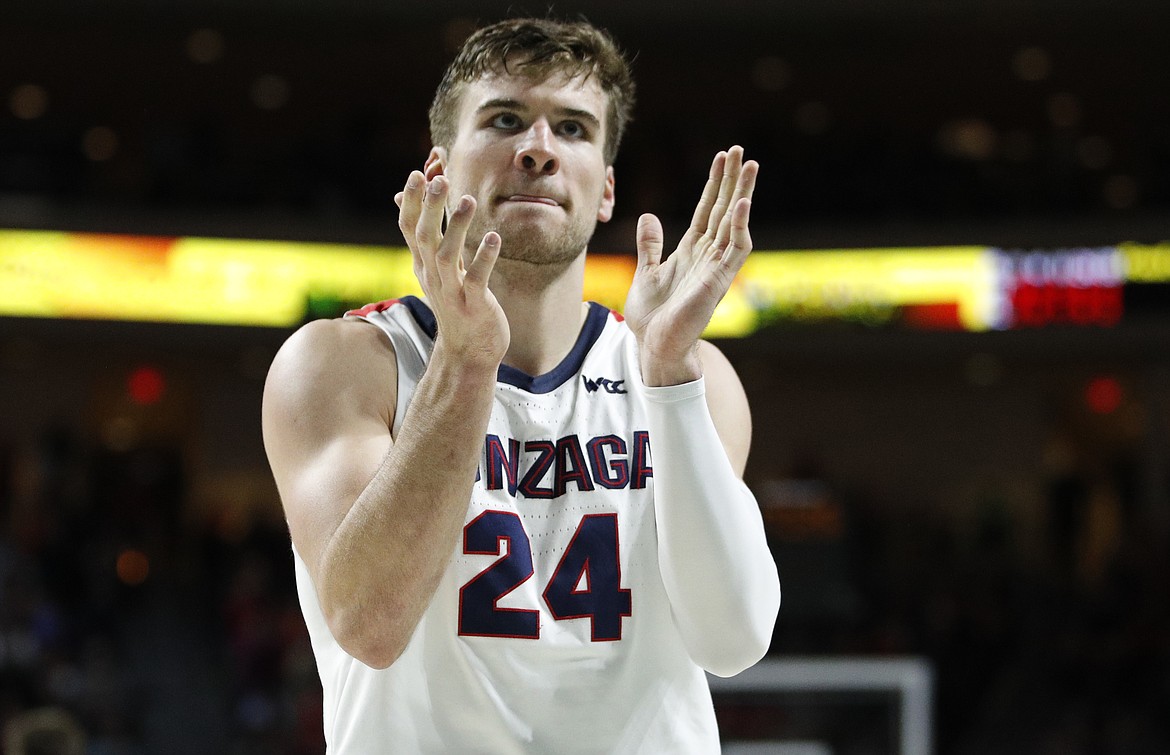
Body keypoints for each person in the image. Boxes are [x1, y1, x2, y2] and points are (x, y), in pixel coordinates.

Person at [262, 17, 781, 753]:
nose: (538, 149)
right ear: (439, 169)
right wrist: (467, 362)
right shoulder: (344, 364)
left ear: (606, 190)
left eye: (571, 128)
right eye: (506, 120)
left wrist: (670, 380)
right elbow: (370, 624)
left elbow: (732, 641)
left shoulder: (690, 377)